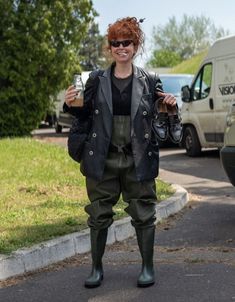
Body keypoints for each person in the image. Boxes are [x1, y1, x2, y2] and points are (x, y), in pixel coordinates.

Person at [64, 17, 179, 288]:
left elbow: (160, 122)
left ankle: (148, 268)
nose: (121, 47)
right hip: (102, 156)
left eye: (126, 42)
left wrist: (170, 106)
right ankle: (96, 269)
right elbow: (80, 115)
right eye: (115, 43)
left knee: (143, 212)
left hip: (137, 157)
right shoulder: (92, 79)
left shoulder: (150, 80)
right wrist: (69, 103)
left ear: (136, 45)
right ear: (109, 48)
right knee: (98, 214)